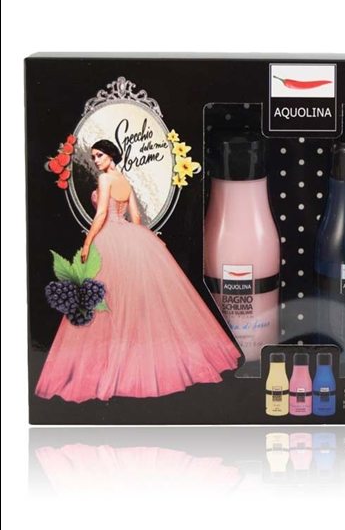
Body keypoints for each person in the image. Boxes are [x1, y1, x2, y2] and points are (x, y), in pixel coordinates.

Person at [36, 139, 241, 403]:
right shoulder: (125, 182)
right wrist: (142, 240)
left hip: (108, 239)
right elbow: (135, 218)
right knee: (125, 298)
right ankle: (129, 360)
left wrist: (87, 243)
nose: (96, 160)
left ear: (111, 156)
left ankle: (108, 361)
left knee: (104, 299)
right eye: (94, 156)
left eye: (100, 155)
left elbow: (101, 214)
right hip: (129, 238)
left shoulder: (106, 180)